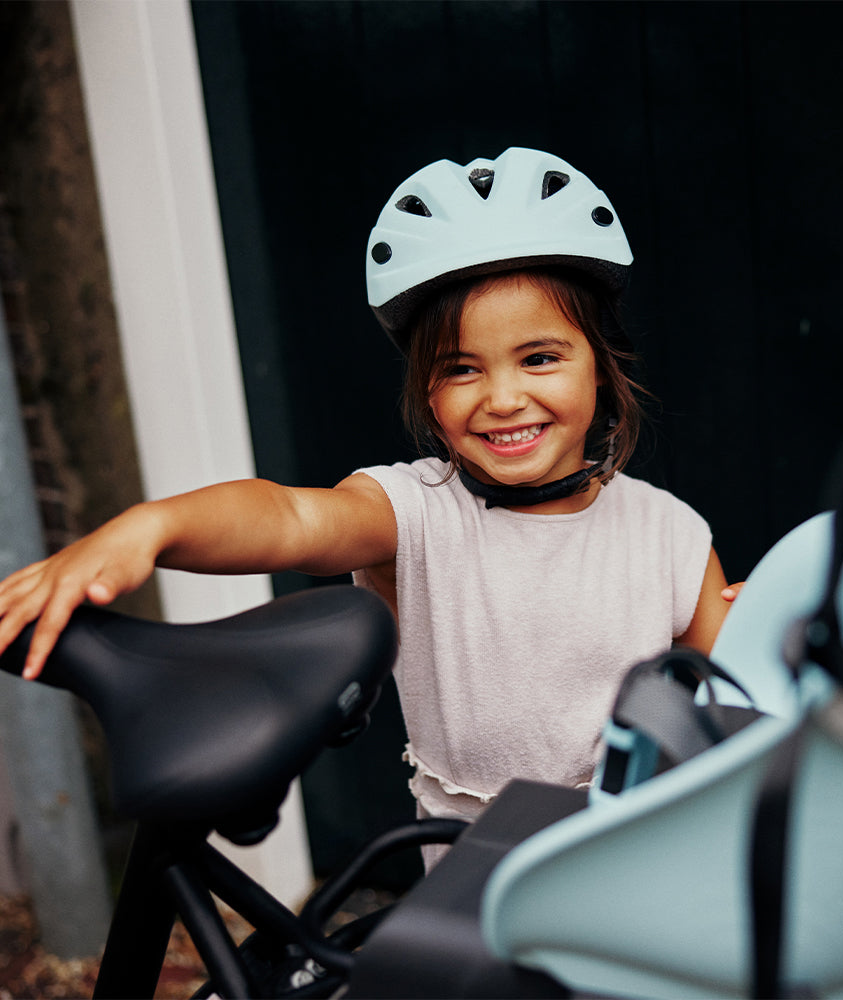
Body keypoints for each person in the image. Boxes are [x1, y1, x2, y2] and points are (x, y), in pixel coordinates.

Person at [0, 148, 739, 854]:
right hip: (467, 888)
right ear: (427, 392)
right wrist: (151, 527)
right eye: (461, 369)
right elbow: (289, 518)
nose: (504, 398)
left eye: (539, 357)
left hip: (635, 867)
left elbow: (736, 717)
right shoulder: (416, 512)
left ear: (602, 371)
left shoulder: (668, 537)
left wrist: (768, 638)